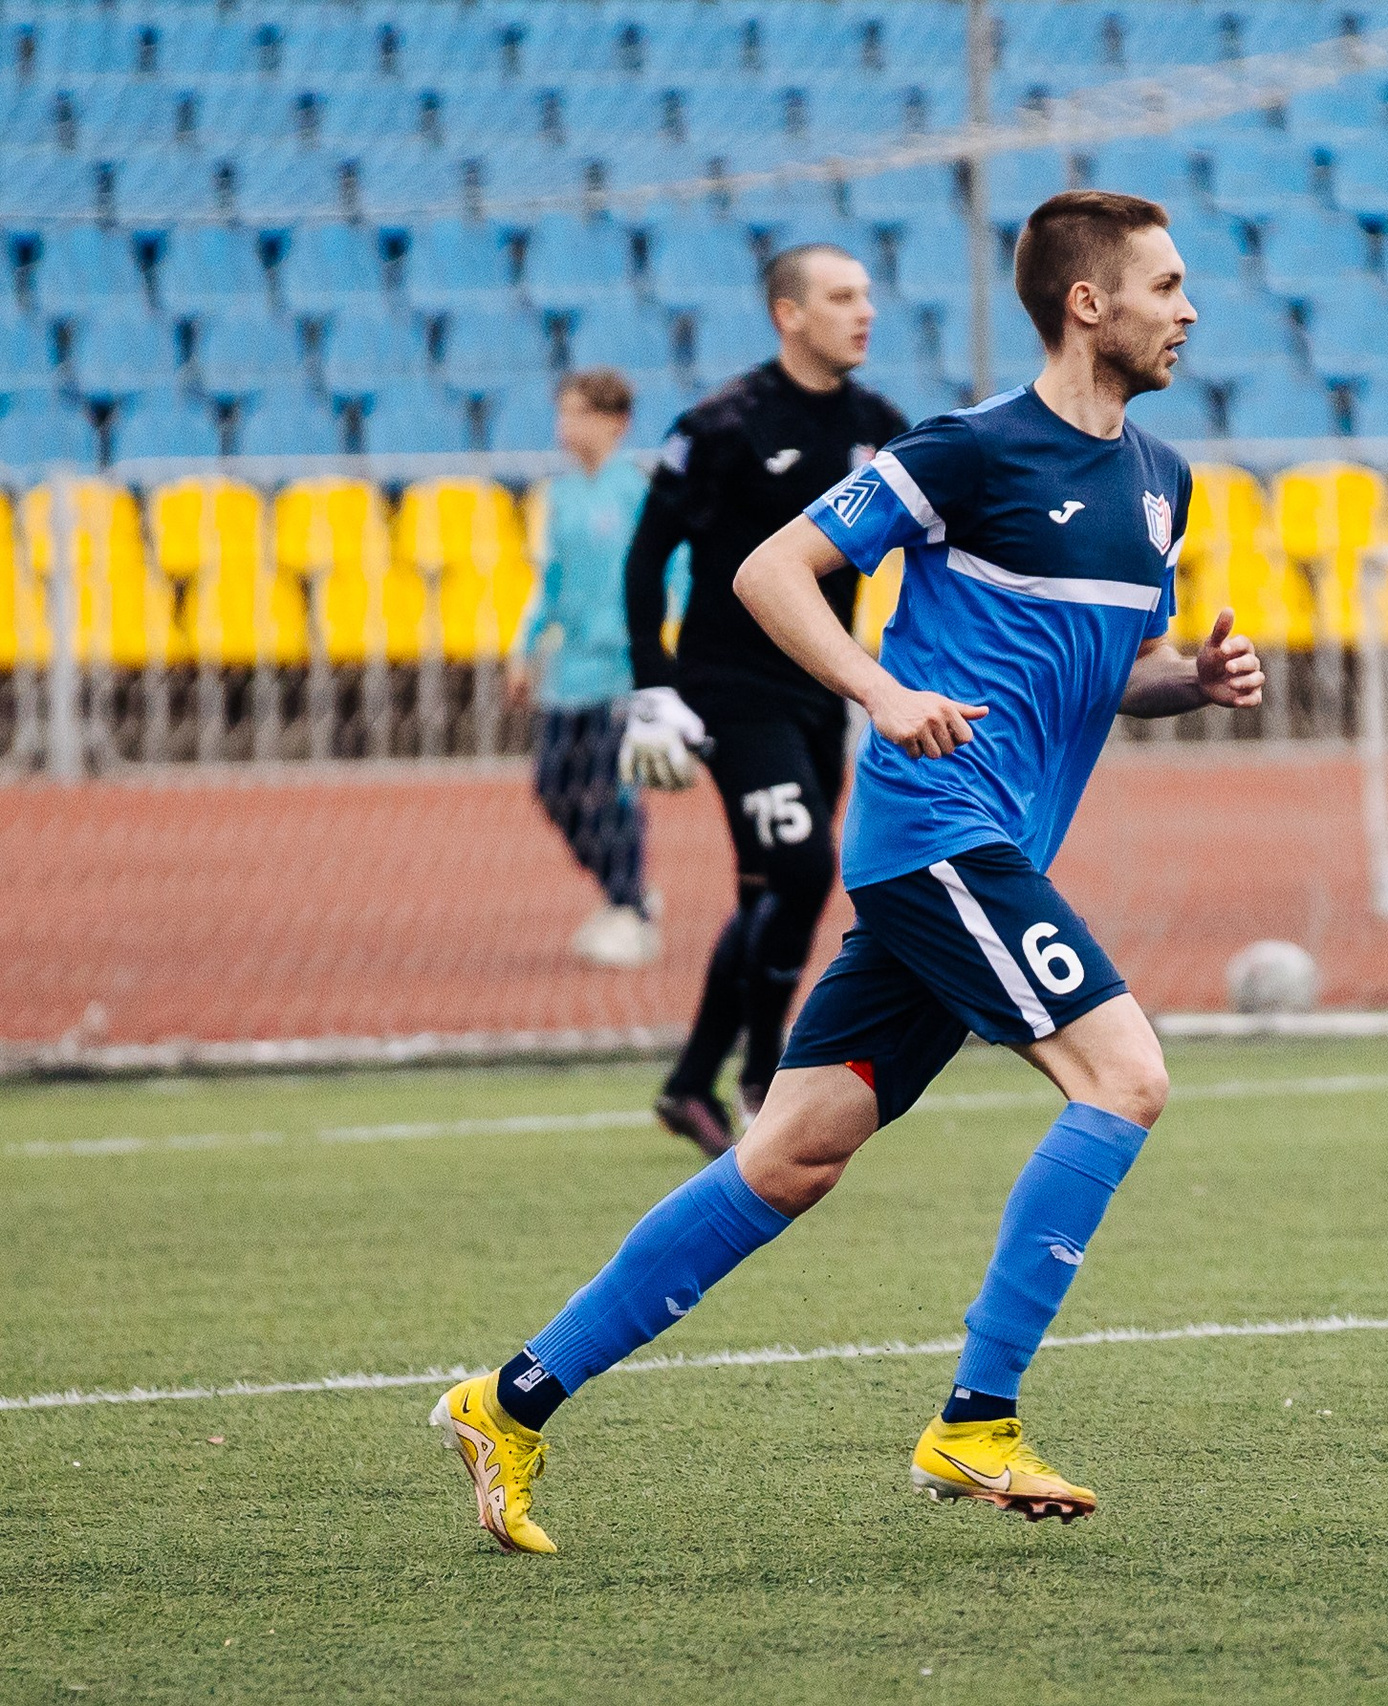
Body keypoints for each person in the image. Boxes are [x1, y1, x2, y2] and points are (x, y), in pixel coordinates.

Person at [433, 190, 1262, 1551]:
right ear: (1087, 304)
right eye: (1165, 285)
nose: (1189, 309)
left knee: (792, 1153)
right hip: (937, 832)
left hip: (980, 854)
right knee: (1125, 1076)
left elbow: (1114, 670)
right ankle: (977, 1419)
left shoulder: (1163, 480)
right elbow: (770, 571)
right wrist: (880, 690)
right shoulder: (968, 449)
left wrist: (1195, 679)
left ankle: (506, 1401)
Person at [617, 243, 911, 1158]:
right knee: (803, 869)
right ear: (790, 314)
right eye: (842, 297)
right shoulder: (722, 425)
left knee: (769, 892)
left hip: (824, 693)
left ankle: (689, 1085)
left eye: (866, 295)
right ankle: (762, 1073)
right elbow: (646, 558)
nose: (865, 311)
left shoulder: (879, 426)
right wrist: (653, 687)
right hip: (732, 695)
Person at [506, 368, 663, 969]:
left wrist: (655, 643)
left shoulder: (638, 492)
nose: (565, 426)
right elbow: (549, 581)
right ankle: (625, 892)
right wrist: (525, 647)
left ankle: (630, 909)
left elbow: (671, 573)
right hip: (569, 671)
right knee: (553, 786)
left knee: (611, 789)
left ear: (615, 422)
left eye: (578, 413)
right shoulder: (561, 495)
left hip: (620, 669)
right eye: (562, 413)